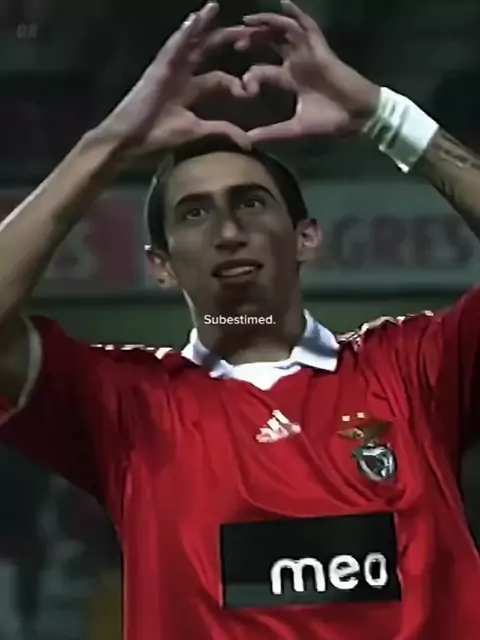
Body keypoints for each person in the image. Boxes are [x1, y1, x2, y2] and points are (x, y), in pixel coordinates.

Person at [0, 1, 480, 638]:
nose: (228, 231)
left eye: (251, 203)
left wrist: (384, 116)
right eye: (195, 213)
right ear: (161, 265)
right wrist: (111, 142)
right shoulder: (123, 405)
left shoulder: (414, 369)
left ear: (306, 237)